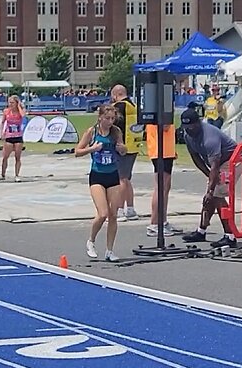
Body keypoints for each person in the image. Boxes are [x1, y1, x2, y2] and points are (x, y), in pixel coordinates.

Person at [75, 104, 129, 261]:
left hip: (113, 174)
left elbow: (124, 150)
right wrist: (92, 149)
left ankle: (109, 250)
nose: (110, 121)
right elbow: (77, 152)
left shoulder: (116, 132)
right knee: (103, 213)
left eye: (113, 118)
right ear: (100, 117)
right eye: (107, 118)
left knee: (113, 214)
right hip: (97, 176)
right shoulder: (92, 132)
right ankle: (91, 241)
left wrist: (122, 148)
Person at [178, 108, 238, 249]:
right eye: (186, 127)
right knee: (209, 198)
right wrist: (209, 175)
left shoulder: (209, 137)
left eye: (192, 127)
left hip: (232, 159)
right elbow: (196, 158)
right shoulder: (187, 135)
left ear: (198, 122)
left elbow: (216, 165)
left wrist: (211, 188)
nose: (189, 130)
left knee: (216, 196)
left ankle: (230, 236)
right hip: (215, 164)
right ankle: (201, 231)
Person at [144, 106, 180, 237]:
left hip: (166, 149)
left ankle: (163, 221)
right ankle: (154, 224)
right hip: (160, 150)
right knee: (160, 187)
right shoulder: (161, 106)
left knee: (166, 187)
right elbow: (164, 126)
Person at [108, 84, 141, 221]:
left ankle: (120, 209)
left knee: (121, 179)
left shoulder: (119, 106)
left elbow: (113, 126)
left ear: (116, 94)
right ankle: (130, 209)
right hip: (134, 145)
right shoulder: (133, 105)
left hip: (122, 146)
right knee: (126, 179)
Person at [0, 95, 26, 182]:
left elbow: (23, 116)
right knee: (5, 157)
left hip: (18, 136)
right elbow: (2, 122)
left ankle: (17, 175)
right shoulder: (6, 111)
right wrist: (1, 133)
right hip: (9, 136)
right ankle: (2, 174)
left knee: (17, 157)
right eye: (9, 102)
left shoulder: (20, 111)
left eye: (12, 102)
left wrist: (19, 106)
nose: (10, 104)